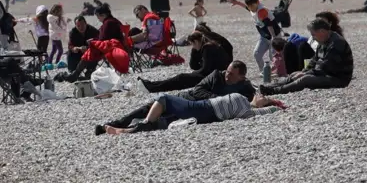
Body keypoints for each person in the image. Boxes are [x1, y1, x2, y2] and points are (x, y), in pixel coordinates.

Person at [95, 61, 256, 135]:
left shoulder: (245, 87)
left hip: (195, 111)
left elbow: (253, 99)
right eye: (227, 71)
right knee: (147, 109)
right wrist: (217, 99)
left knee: (161, 121)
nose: (227, 75)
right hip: (187, 99)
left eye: (231, 74)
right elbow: (198, 89)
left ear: (241, 77)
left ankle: (127, 130)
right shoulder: (216, 75)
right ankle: (117, 123)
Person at [103, 93, 283, 135]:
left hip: (204, 109)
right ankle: (125, 131)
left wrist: (276, 105)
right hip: (205, 112)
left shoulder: (248, 111)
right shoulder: (245, 102)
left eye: (264, 98)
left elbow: (271, 110)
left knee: (165, 99)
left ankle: (145, 123)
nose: (260, 95)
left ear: (263, 105)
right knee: (165, 120)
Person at [260, 18, 353, 95]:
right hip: (327, 73)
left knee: (305, 79)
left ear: (322, 31)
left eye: (313, 35)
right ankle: (271, 86)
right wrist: (304, 71)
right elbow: (314, 59)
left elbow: (327, 67)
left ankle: (275, 91)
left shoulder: (336, 43)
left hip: (338, 78)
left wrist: (306, 74)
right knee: (295, 75)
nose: (313, 38)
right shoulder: (324, 41)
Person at [139, 31, 232, 92]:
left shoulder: (208, 48)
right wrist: (194, 51)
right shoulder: (207, 46)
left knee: (181, 78)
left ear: (196, 41)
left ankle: (152, 87)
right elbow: (194, 66)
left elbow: (205, 70)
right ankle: (152, 85)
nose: (192, 46)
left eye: (192, 44)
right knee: (181, 78)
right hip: (213, 75)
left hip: (214, 78)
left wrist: (193, 73)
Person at [65, 5, 125, 80]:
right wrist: (75, 48)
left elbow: (103, 39)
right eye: (78, 26)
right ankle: (74, 72)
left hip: (111, 48)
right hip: (83, 51)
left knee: (92, 52)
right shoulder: (73, 32)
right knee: (72, 53)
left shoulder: (108, 23)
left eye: (98, 16)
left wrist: (90, 44)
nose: (98, 19)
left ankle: (81, 73)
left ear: (103, 15)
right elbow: (70, 45)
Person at [228, 0, 280, 69]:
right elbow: (246, 7)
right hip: (265, 37)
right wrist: (237, 3)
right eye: (249, 6)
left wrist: (274, 39)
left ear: (257, 2)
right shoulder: (252, 8)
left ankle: (278, 72)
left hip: (274, 36)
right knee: (257, 54)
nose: (250, 8)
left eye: (252, 6)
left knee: (273, 57)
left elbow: (269, 26)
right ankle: (263, 72)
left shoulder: (261, 11)